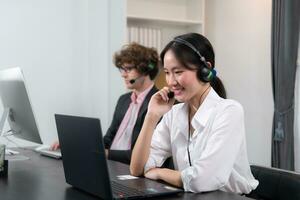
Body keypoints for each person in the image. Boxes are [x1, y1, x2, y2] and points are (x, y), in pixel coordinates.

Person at [130, 33, 258, 194]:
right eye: (167, 73)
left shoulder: (229, 111)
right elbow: (137, 169)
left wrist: (160, 172)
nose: (170, 82)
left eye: (178, 72)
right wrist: (151, 116)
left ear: (205, 70)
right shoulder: (174, 113)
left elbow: (203, 180)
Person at [51, 43, 159, 164]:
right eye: (122, 69)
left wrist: (104, 153)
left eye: (128, 69)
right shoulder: (124, 100)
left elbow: (146, 154)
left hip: (130, 168)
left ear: (146, 70)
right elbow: (108, 140)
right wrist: (74, 144)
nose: (123, 74)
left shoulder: (159, 104)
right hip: (110, 163)